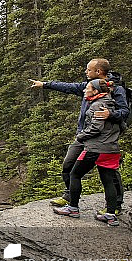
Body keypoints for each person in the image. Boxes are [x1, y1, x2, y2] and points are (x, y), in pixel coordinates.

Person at [28, 58, 129, 213]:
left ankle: (115, 206)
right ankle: (70, 196)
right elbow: (69, 87)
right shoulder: (88, 86)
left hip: (103, 138)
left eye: (88, 70)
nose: (85, 72)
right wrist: (45, 84)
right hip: (83, 135)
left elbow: (124, 112)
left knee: (109, 174)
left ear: (98, 72)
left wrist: (110, 114)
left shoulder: (116, 89)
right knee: (68, 165)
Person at [49, 79, 122, 224]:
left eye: (87, 88)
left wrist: (80, 136)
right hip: (112, 149)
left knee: (74, 174)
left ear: (95, 91)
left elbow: (95, 128)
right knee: (108, 181)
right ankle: (110, 215)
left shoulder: (97, 105)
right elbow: (123, 126)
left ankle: (73, 208)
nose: (84, 90)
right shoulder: (112, 106)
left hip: (95, 149)